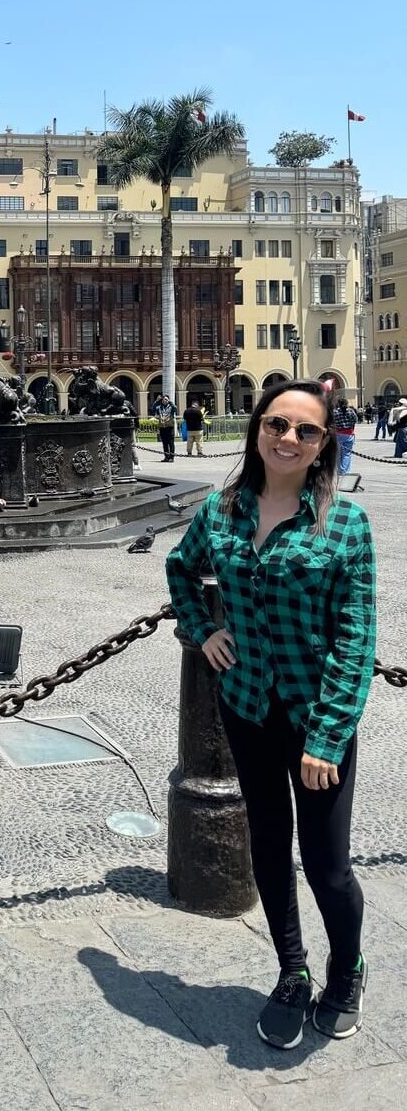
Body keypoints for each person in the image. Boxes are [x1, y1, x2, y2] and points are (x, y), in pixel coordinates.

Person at [166, 379, 375, 1050]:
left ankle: (346, 971)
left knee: (327, 863)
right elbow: (179, 568)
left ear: (323, 448)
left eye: (305, 431)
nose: (287, 439)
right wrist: (203, 628)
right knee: (267, 844)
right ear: (257, 430)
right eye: (276, 424)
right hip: (248, 709)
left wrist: (329, 737)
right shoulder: (222, 510)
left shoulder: (345, 525)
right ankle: (292, 971)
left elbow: (356, 638)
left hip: (317, 723)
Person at [332, 398, 358, 474]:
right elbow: (356, 420)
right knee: (347, 454)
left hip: (338, 434)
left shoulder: (335, 412)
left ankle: (339, 470)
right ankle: (345, 471)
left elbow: (331, 422)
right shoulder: (351, 411)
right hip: (349, 434)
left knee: (338, 453)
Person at [152, 393, 178, 462]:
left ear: (168, 400)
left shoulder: (171, 407)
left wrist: (170, 402)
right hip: (162, 427)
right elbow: (153, 410)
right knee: (165, 443)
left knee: (171, 443)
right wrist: (156, 401)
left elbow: (175, 409)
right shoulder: (159, 407)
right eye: (164, 399)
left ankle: (171, 457)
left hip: (169, 427)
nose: (165, 401)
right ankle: (166, 457)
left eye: (166, 399)